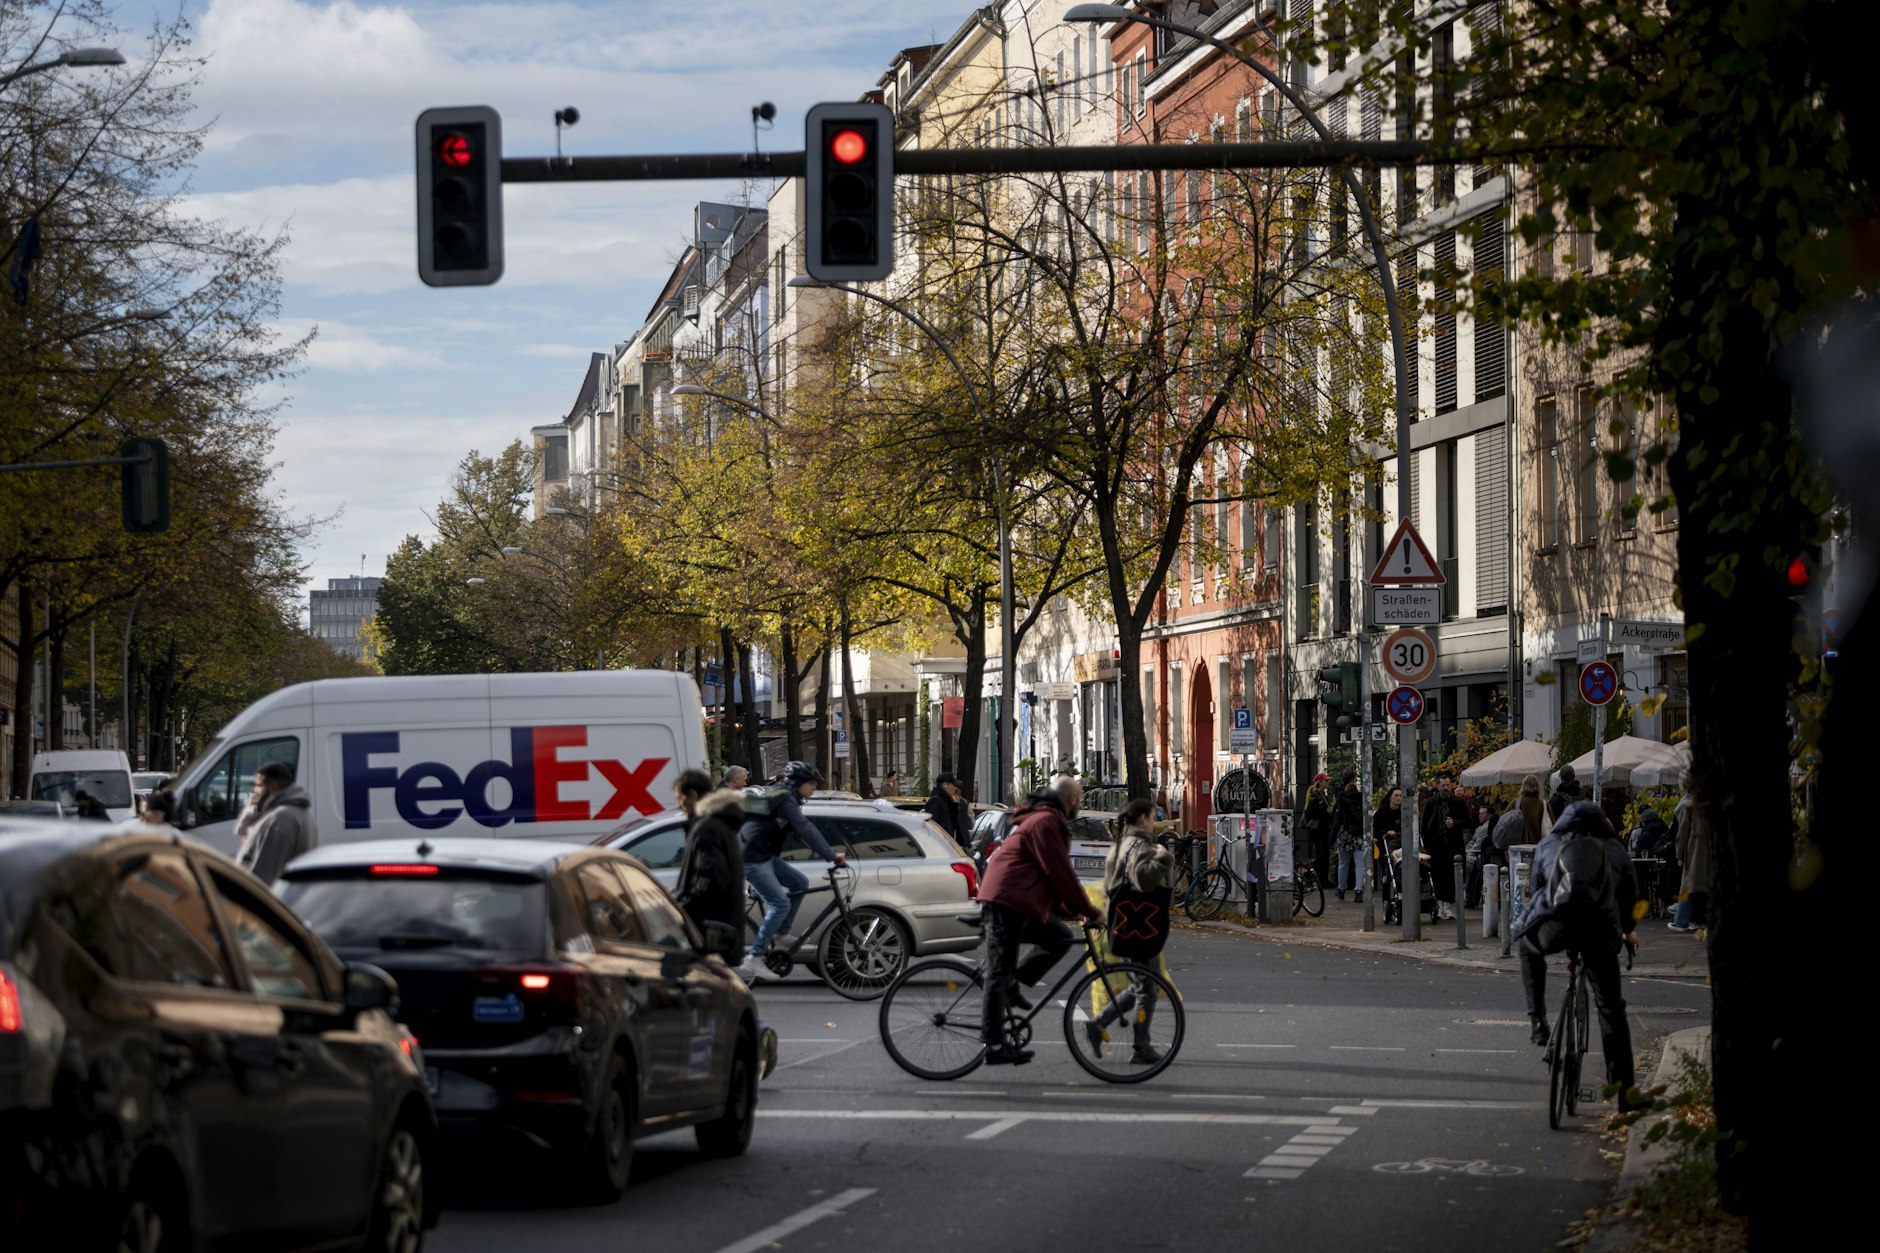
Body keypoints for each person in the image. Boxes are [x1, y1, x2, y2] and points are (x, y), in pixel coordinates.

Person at [1512, 800, 1643, 1108]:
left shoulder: (1548, 844)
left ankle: (1537, 1019)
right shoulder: (1614, 849)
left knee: (1529, 948)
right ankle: (1625, 1095)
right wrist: (1627, 929)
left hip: (1557, 927)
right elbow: (1629, 897)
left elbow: (1538, 892)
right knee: (1611, 1009)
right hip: (1599, 931)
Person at [977, 776, 1104, 1066]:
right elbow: (1060, 873)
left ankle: (1015, 981)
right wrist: (1091, 910)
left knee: (1058, 937)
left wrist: (1074, 910)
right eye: (1080, 799)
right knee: (998, 973)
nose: (1080, 804)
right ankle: (994, 1045)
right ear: (1071, 799)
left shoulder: (1046, 820)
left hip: (1018, 900)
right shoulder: (1046, 823)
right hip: (1005, 902)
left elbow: (1048, 878)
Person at [1083, 798, 1176, 1064]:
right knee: (1147, 989)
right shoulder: (1139, 845)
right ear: (1145, 818)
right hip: (1141, 926)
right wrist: (1164, 857)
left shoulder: (1122, 843)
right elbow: (1143, 879)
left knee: (1139, 986)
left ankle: (1099, 1024)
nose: (1155, 821)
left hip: (1123, 925)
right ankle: (1141, 1045)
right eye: (1153, 816)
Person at [737, 760, 846, 982]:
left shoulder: (786, 797)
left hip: (763, 855)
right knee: (780, 903)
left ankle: (781, 933)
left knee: (800, 883)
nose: (814, 787)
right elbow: (805, 828)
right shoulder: (786, 798)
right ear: (797, 782)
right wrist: (831, 855)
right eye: (811, 783)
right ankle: (755, 957)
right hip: (752, 858)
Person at [671, 768, 746, 956]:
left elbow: (711, 876)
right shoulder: (717, 822)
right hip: (720, 926)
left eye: (679, 798)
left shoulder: (707, 827)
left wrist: (684, 906)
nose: (679, 805)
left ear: (692, 795)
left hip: (709, 929)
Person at [234, 761, 316, 886]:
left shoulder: (280, 819)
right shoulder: (297, 814)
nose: (255, 791)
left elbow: (263, 876)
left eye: (259, 785)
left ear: (273, 785)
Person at [1420, 771, 1474, 920]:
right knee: (1437, 876)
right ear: (1437, 786)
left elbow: (1469, 822)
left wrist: (1454, 824)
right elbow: (1424, 825)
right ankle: (1438, 906)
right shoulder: (1430, 803)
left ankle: (1448, 907)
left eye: (1448, 785)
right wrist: (1426, 844)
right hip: (1435, 847)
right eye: (1443, 785)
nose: (1446, 788)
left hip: (1453, 846)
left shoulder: (1459, 803)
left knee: (1451, 877)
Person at [1670, 773, 1710, 932]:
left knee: (1688, 886)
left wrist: (1679, 856)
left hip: (1694, 851)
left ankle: (1681, 921)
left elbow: (1682, 834)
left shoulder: (1689, 806)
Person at [1332, 772, 1366, 901]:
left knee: (1343, 863)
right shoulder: (1361, 798)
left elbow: (1338, 818)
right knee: (1360, 864)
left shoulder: (1342, 797)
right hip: (1358, 835)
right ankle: (1358, 890)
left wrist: (1332, 837)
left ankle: (1341, 889)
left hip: (1345, 835)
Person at [1298, 773, 1334, 889]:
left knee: (1324, 854)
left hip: (1322, 828)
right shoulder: (1315, 794)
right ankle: (1308, 873)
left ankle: (1322, 879)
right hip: (1318, 829)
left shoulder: (1322, 794)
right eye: (1326, 781)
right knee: (1322, 854)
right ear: (1320, 782)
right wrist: (1327, 812)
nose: (1328, 783)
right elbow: (1313, 813)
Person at [1371, 787, 1404, 909]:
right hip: (1386, 846)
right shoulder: (1381, 813)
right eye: (1396, 795)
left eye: (1400, 796)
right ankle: (1386, 900)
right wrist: (1386, 832)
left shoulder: (1404, 812)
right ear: (1390, 797)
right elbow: (1376, 831)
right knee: (1387, 872)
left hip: (1402, 843)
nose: (1398, 798)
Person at [923, 771, 972, 849]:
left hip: (950, 845)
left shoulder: (950, 802)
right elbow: (932, 825)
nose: (956, 788)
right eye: (954, 785)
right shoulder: (936, 801)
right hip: (941, 846)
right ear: (945, 785)